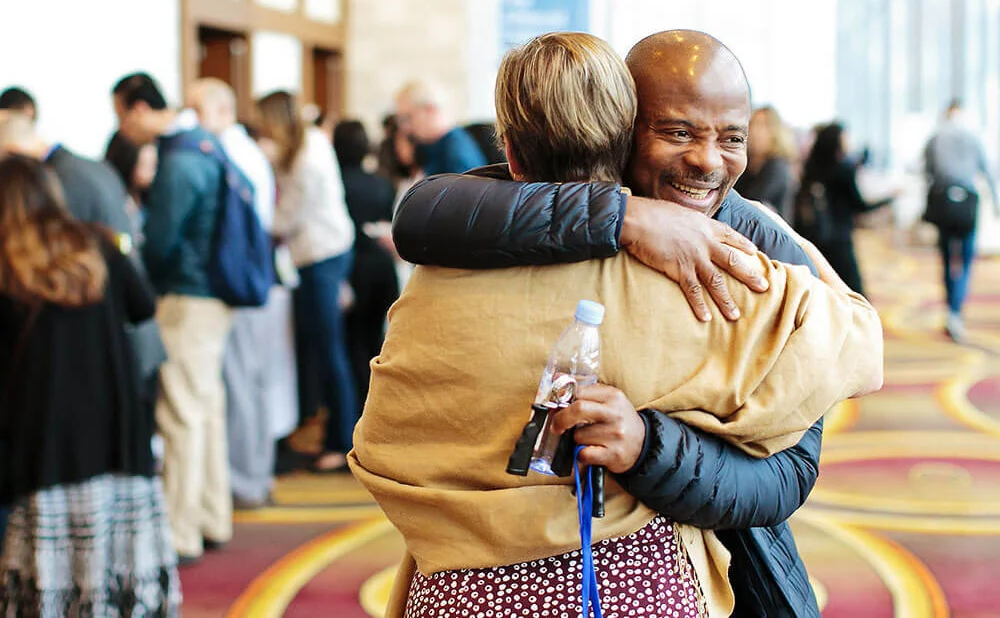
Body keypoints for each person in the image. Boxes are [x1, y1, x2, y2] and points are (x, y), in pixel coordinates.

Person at [350, 32, 883, 618]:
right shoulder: (526, 217)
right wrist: (625, 214)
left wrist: (648, 445)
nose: (708, 160)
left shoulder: (758, 249)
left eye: (732, 138)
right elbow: (425, 212)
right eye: (678, 132)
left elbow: (791, 471)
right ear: (624, 128)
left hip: (710, 566)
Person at [0, 155, 180, 616]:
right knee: (114, 570)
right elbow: (142, 306)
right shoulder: (97, 244)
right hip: (115, 430)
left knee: (48, 579)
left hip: (44, 440)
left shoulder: (8, 265)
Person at [117, 74, 234, 564]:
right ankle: (211, 516)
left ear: (141, 109)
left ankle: (180, 532)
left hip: (187, 297)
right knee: (205, 409)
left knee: (181, 414)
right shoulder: (207, 147)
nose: (123, 127)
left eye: (121, 114)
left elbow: (160, 240)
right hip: (214, 295)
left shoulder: (180, 157)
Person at [188, 78, 292, 509]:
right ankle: (253, 475)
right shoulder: (238, 152)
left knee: (242, 381)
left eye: (196, 111)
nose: (189, 121)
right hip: (252, 282)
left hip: (242, 285)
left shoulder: (230, 154)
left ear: (220, 110)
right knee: (248, 380)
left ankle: (247, 480)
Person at [256, 90, 357, 474]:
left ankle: (341, 441)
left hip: (320, 256)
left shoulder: (305, 157)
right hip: (329, 251)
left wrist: (258, 228)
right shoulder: (311, 143)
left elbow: (286, 218)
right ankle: (331, 432)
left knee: (328, 351)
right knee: (325, 349)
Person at [923, 99, 1000, 342]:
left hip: (944, 202)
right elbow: (987, 171)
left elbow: (928, 170)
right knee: (966, 260)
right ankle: (956, 310)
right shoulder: (972, 136)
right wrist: (997, 205)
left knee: (947, 258)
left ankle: (951, 307)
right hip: (967, 202)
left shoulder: (936, 137)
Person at [333, 120, 399, 400]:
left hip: (353, 270)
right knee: (376, 344)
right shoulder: (382, 183)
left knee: (352, 344)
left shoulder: (337, 183)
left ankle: (357, 407)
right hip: (383, 270)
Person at [794, 122, 896, 297]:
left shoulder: (810, 169)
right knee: (854, 292)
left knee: (821, 291)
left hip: (814, 238)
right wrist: (889, 198)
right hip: (839, 239)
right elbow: (860, 206)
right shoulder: (843, 170)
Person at [394, 80, 486, 176]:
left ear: (430, 109)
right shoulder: (432, 146)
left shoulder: (456, 156)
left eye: (408, 117)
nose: (405, 127)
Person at [737, 105, 797, 220]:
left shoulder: (777, 165)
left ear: (775, 132)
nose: (755, 131)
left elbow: (753, 202)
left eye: (762, 125)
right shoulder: (748, 162)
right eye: (752, 124)